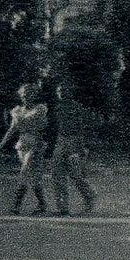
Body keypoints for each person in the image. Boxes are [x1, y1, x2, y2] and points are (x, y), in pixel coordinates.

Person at [0, 84, 50, 215]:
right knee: (32, 177)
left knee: (25, 172)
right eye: (24, 94)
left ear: (35, 94)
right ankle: (42, 205)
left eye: (29, 93)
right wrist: (2, 143)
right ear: (20, 95)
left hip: (36, 143)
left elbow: (41, 124)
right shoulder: (17, 111)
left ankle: (16, 204)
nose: (26, 96)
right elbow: (13, 129)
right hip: (22, 145)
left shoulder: (40, 109)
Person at [50, 84, 96, 215]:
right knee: (57, 174)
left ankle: (89, 197)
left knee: (76, 175)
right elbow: (56, 127)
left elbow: (81, 126)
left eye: (64, 90)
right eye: (58, 91)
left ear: (70, 92)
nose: (61, 93)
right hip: (61, 141)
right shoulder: (57, 107)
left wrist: (80, 147)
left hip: (74, 141)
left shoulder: (75, 107)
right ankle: (62, 207)